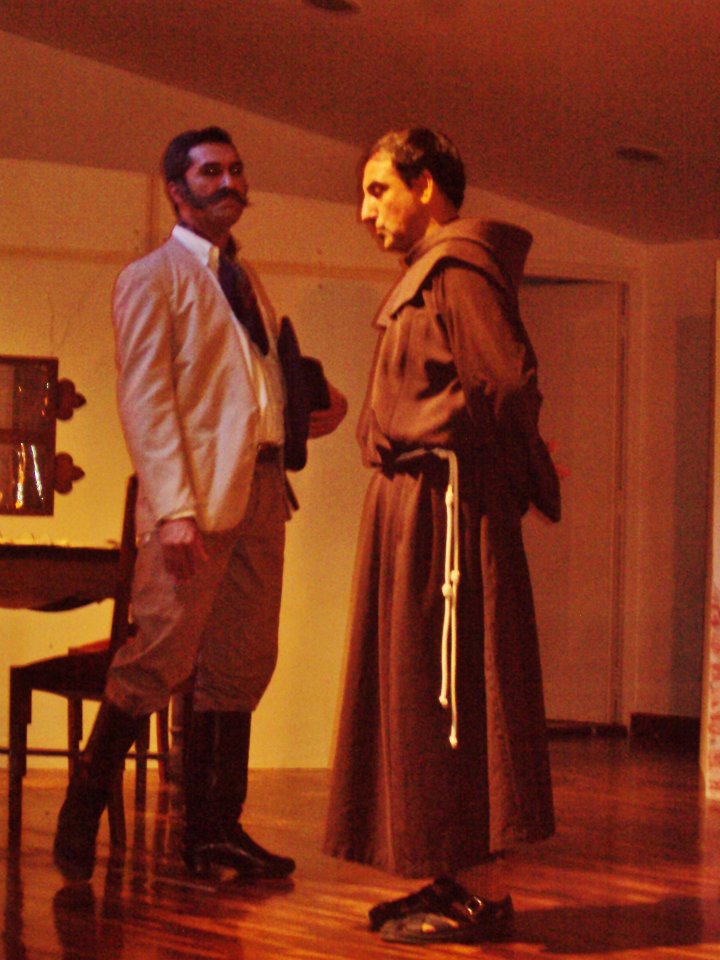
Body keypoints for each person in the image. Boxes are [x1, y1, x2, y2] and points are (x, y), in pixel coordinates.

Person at [53, 125, 346, 883]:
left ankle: (215, 831)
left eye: (237, 170)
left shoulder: (245, 279)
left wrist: (301, 409)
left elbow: (246, 382)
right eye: (211, 171)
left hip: (263, 492)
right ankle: (84, 802)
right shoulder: (151, 277)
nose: (230, 183)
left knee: (243, 661)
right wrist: (174, 509)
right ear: (177, 190)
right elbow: (146, 399)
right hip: (195, 504)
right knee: (161, 654)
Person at [323, 127, 560, 945]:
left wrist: (502, 475)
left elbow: (508, 387)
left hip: (444, 514)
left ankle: (474, 888)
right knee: (421, 694)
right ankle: (447, 874)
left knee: (452, 692)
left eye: (378, 190)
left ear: (426, 185)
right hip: (417, 510)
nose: (366, 211)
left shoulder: (460, 268)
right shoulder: (432, 271)